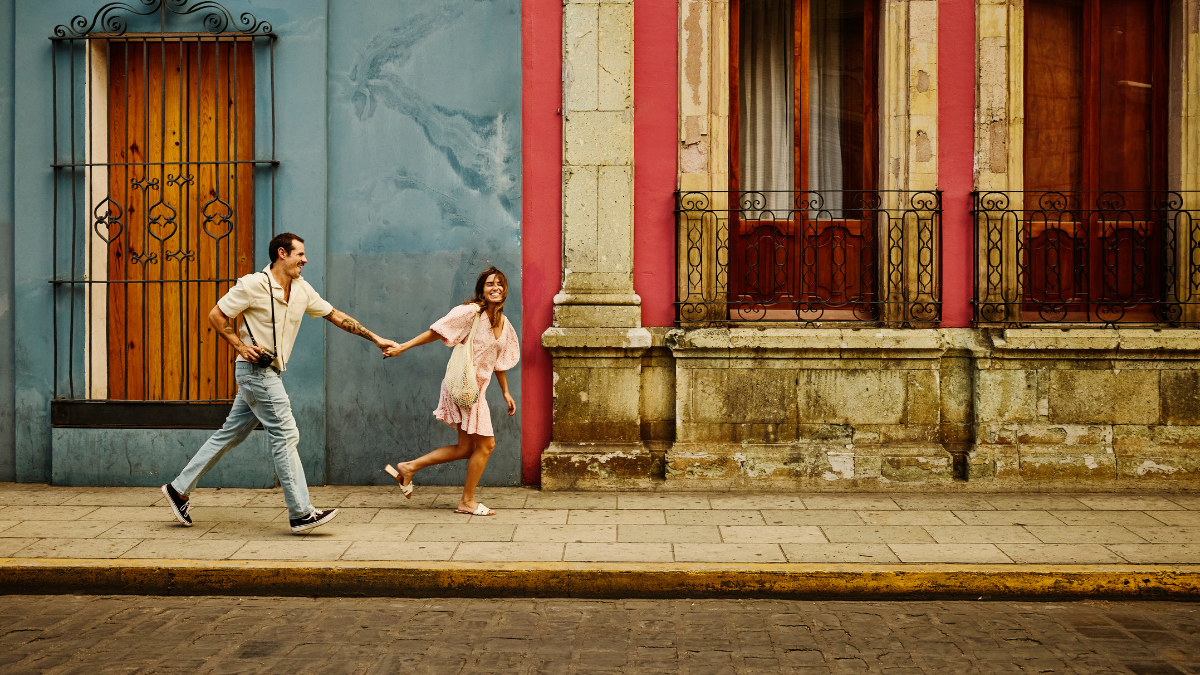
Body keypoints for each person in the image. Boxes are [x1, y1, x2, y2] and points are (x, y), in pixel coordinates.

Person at [161, 233, 400, 533]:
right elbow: (216, 315)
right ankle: (301, 513)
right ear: (282, 254)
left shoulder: (301, 289)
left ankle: (178, 489)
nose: (305, 259)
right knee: (286, 434)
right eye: (300, 254)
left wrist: (375, 338)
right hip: (254, 372)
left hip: (269, 373)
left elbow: (336, 315)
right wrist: (239, 345)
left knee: (229, 435)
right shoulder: (252, 285)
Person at [383, 267, 520, 516]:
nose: (495, 288)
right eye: (490, 284)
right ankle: (467, 501)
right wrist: (404, 347)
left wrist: (506, 392)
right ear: (482, 289)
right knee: (487, 445)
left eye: (499, 284)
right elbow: (438, 331)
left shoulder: (503, 321)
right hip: (464, 385)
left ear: (505, 289)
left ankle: (408, 467)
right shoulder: (471, 312)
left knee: (466, 448)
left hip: (479, 389)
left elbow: (498, 361)